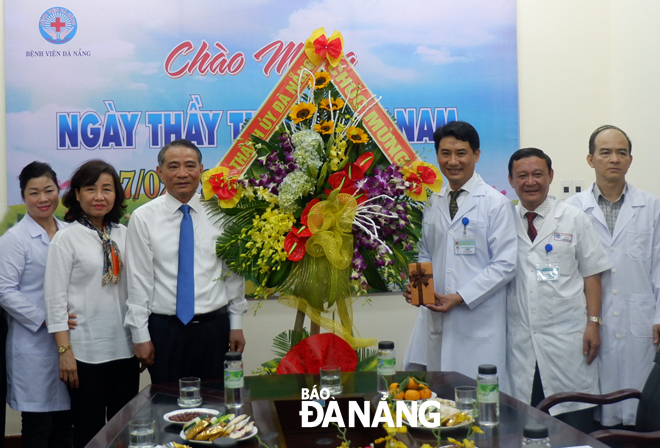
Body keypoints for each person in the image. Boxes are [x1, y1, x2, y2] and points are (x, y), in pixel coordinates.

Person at [124, 138, 247, 384]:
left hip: (215, 327)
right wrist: (140, 334)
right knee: (166, 405)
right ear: (159, 172)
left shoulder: (221, 213)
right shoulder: (143, 218)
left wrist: (236, 323)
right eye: (173, 166)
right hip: (165, 331)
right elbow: (138, 281)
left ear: (202, 170)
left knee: (216, 405)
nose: (182, 173)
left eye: (190, 166)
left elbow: (232, 275)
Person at [506, 147, 612, 429]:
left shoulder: (574, 218)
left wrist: (593, 324)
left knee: (573, 427)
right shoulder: (502, 221)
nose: (531, 181)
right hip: (520, 346)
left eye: (538, 174)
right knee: (527, 428)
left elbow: (592, 274)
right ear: (511, 180)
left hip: (568, 342)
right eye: (523, 175)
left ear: (551, 176)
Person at [402, 121, 517, 379]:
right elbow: (426, 253)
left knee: (476, 399)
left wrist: (460, 296)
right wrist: (420, 289)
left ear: (476, 155)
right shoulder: (433, 201)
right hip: (438, 318)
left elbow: (505, 265)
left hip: (478, 320)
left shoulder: (495, 203)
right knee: (441, 399)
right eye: (445, 153)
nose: (453, 161)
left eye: (461, 153)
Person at [565, 125, 660, 428]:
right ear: (591, 159)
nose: (614, 159)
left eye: (621, 152)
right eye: (605, 152)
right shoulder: (571, 209)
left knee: (640, 412)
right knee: (595, 414)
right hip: (590, 321)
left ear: (630, 160)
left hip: (641, 321)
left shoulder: (652, 207)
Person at [45, 160, 139, 448]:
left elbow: (138, 290)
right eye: (91, 189)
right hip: (85, 354)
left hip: (124, 350)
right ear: (77, 194)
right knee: (89, 432)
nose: (99, 196)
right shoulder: (66, 239)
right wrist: (65, 351)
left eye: (107, 189)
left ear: (116, 195)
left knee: (125, 429)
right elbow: (54, 299)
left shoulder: (125, 235)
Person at [0, 162, 73, 447]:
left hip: (69, 341)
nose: (43, 199)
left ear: (59, 190)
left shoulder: (69, 232)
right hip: (33, 344)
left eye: (49, 190)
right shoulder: (14, 240)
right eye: (34, 193)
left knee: (66, 424)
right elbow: (5, 291)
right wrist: (49, 320)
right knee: (37, 426)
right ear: (23, 196)